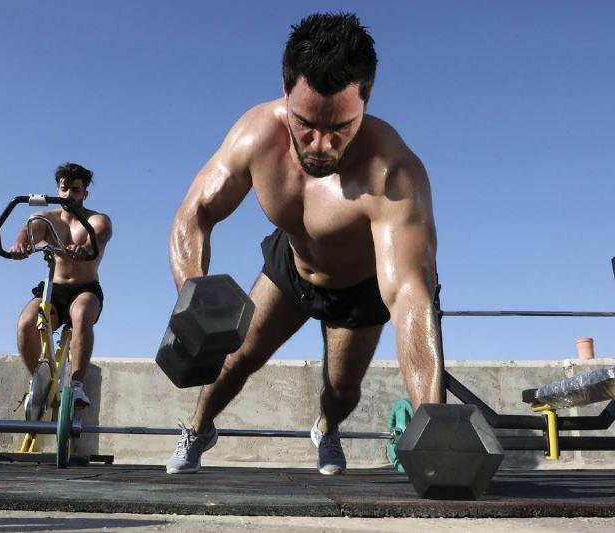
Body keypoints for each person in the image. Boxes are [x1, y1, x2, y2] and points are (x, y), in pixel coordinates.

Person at [166, 13, 444, 475]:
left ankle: (326, 429)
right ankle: (197, 429)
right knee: (233, 360)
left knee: (341, 390)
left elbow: (410, 296)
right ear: (285, 89)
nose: (319, 144)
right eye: (306, 124)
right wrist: (194, 294)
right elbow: (194, 214)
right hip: (290, 265)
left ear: (366, 100)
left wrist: (434, 421)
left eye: (340, 129)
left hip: (359, 289)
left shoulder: (391, 173)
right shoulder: (256, 135)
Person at [9, 162, 113, 420]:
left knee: (81, 315)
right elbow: (29, 233)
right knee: (26, 324)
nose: (68, 195)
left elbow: (96, 240)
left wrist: (86, 250)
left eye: (75, 190)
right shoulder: (47, 220)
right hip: (53, 290)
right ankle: (38, 383)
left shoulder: (97, 219)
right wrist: (20, 247)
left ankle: (77, 384)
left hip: (85, 289)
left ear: (84, 193)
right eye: (64, 189)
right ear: (58, 188)